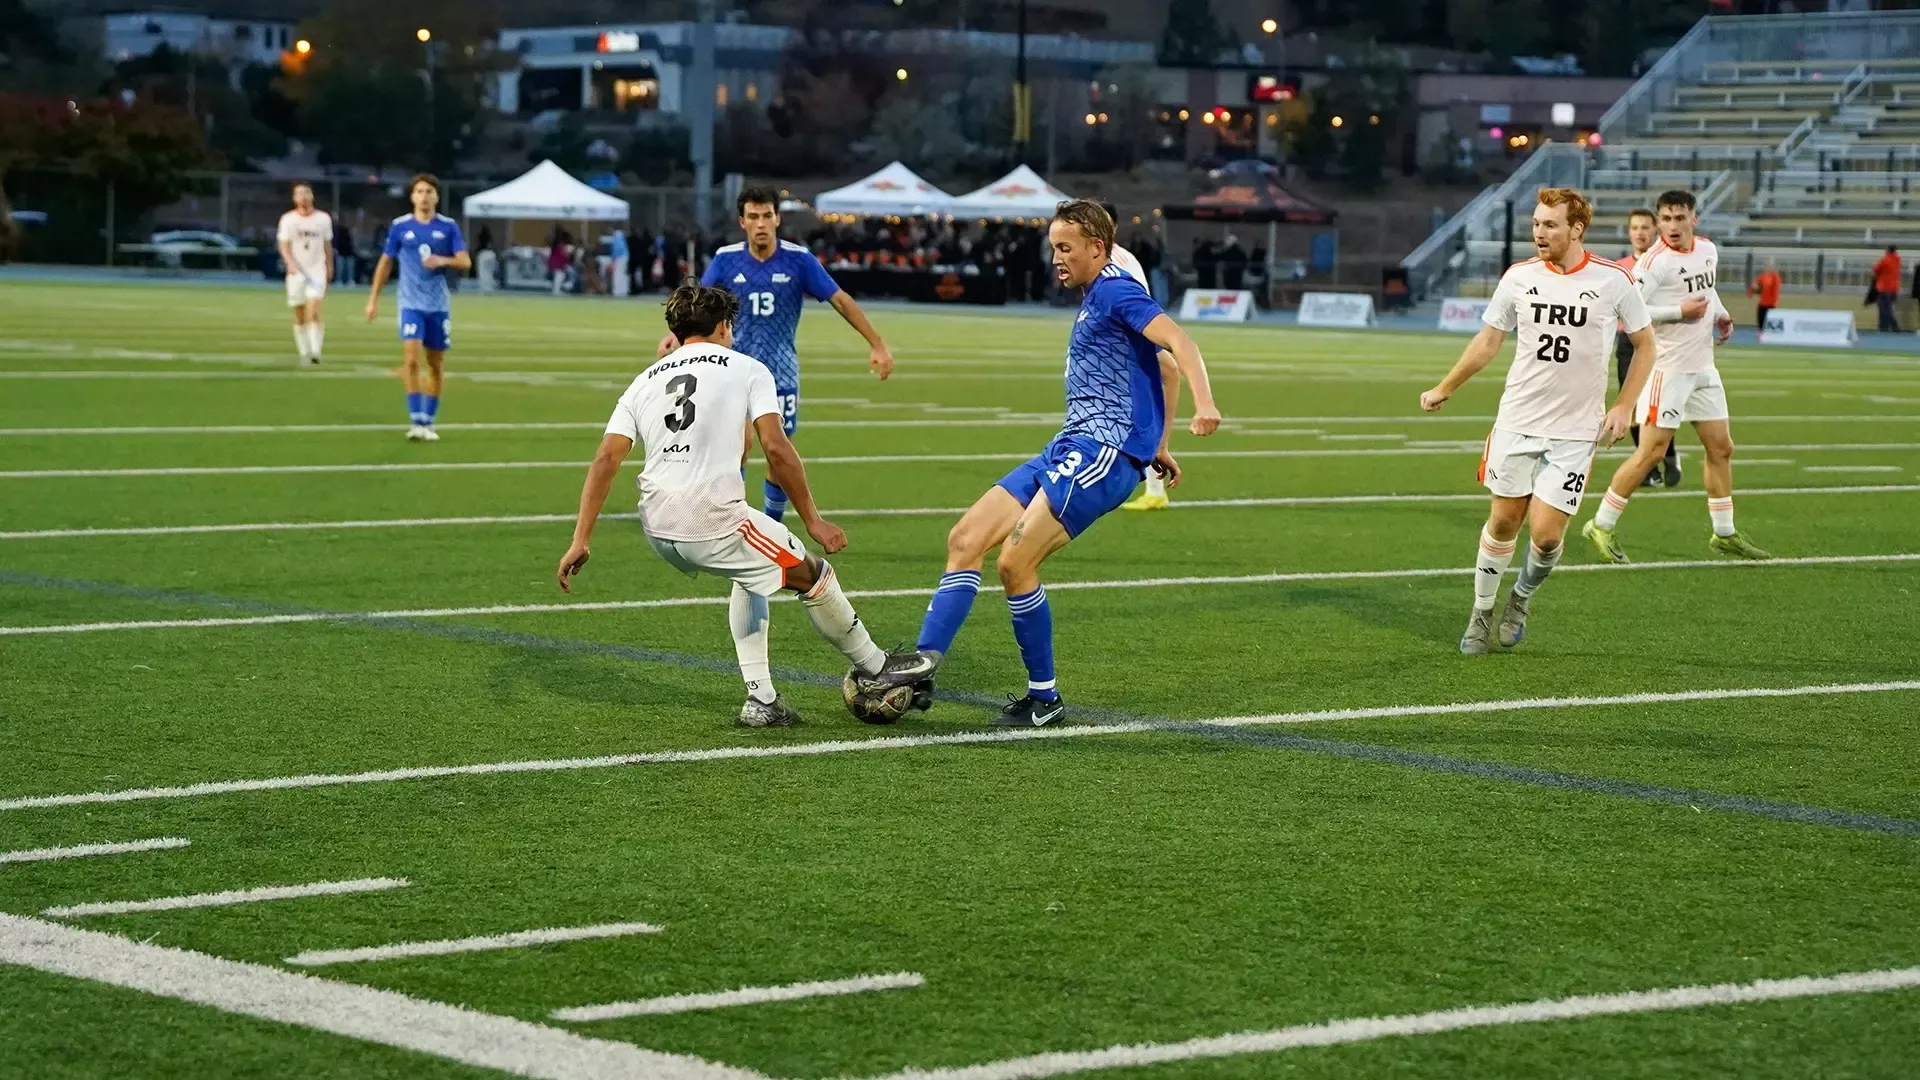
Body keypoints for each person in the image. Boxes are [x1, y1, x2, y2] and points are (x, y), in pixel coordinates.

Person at [869, 200, 1221, 728]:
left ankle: (1044, 699)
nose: (1056, 258)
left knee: (1015, 563)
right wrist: (1157, 442)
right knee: (965, 538)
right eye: (1053, 247)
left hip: (1102, 455)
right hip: (1069, 446)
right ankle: (922, 667)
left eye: (1065, 248)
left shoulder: (1116, 290)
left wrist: (1205, 404)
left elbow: (1178, 345)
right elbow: (1157, 373)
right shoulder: (1092, 297)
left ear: (1097, 249)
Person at [554, 284, 931, 727]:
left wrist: (581, 539)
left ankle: (763, 701)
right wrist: (813, 518)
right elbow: (777, 447)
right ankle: (875, 665)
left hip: (657, 526)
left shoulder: (645, 379)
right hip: (710, 519)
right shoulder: (748, 368)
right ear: (723, 327)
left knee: (751, 574)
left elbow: (605, 458)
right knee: (814, 574)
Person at [1421, 187, 1655, 655]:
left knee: (1546, 538)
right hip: (1517, 421)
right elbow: (1488, 341)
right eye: (1536, 224)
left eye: (1550, 225)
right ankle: (1481, 614)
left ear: (1576, 229)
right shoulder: (1518, 277)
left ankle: (1520, 599)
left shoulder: (1613, 281)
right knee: (1504, 521)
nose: (1539, 233)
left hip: (1574, 432)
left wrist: (1624, 406)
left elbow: (1647, 346)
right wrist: (1446, 386)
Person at [658, 185, 896, 524]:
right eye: (753, 217)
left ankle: (771, 524)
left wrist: (877, 343)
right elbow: (699, 301)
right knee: (737, 447)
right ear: (742, 222)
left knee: (776, 455)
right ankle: (735, 524)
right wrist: (673, 332)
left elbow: (840, 299)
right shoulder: (727, 259)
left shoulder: (799, 260)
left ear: (777, 218)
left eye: (767, 216)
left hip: (779, 373)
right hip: (732, 371)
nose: (761, 224)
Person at [1584, 189, 1770, 563]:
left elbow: (1707, 289)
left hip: (1703, 368)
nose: (1671, 226)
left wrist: (1721, 314)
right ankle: (1601, 524)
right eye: (1665, 219)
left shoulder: (1707, 250)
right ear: (1658, 222)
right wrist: (1678, 311)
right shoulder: (1653, 263)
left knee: (1721, 448)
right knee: (1651, 453)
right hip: (1665, 371)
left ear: (1693, 219)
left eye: (1679, 218)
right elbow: (1630, 311)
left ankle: (1724, 533)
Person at [365, 174, 469, 442]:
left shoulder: (448, 227)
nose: (424, 196)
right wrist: (373, 299)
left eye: (429, 191)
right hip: (410, 303)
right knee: (411, 359)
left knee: (435, 362)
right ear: (412, 196)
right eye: (420, 191)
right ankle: (416, 420)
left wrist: (442, 260)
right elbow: (385, 263)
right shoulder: (400, 227)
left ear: (436, 197)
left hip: (438, 305)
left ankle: (428, 421)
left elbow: (465, 261)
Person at [1110, 242, 1182, 513]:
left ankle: (1153, 485)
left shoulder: (1116, 261)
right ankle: (1154, 486)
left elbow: (1138, 304)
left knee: (1154, 391)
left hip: (1130, 337)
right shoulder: (1120, 257)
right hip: (1128, 337)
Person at [1615, 208, 1677, 488]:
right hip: (1627, 341)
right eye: (1634, 227)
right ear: (1629, 232)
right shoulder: (1619, 267)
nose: (1639, 232)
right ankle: (1647, 467)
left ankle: (1669, 455)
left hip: (1657, 341)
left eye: (1644, 227)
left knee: (1657, 404)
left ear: (1655, 231)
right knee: (1630, 404)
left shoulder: (1663, 264)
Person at [277, 182, 333, 367]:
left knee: (314, 310)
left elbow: (327, 245)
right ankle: (304, 351)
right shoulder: (288, 220)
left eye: (306, 192)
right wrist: (290, 263)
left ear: (312, 196)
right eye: (299, 193)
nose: (303, 196)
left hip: (317, 271)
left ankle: (316, 351)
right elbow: (284, 244)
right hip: (296, 273)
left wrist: (329, 265)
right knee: (299, 314)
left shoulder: (323, 219)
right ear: (294, 198)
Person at [1873, 245, 1903, 332]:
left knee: (1884, 309)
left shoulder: (1885, 259)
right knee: (1888, 308)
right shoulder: (1897, 260)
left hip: (1884, 287)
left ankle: (1894, 326)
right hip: (1894, 288)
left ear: (1888, 250)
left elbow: (1876, 269)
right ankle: (1883, 327)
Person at [1748, 259, 1781, 333]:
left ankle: (1770, 334)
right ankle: (1761, 334)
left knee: (1770, 321)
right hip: (1763, 303)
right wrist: (1753, 290)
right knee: (1760, 319)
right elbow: (1754, 286)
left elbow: (1775, 289)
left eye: (1771, 267)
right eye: (1768, 266)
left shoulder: (1775, 277)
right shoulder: (1762, 277)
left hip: (1771, 304)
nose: (1769, 268)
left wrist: (1775, 301)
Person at [332, 217, 356, 286]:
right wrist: (335, 248)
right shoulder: (339, 230)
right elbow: (336, 240)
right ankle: (339, 280)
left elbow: (353, 242)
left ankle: (350, 280)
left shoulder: (351, 231)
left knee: (349, 268)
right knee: (340, 268)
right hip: (341, 252)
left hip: (349, 252)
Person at [609, 227, 631, 297]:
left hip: (619, 258)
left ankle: (617, 291)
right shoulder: (621, 237)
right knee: (623, 274)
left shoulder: (616, 237)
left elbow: (616, 249)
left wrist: (613, 259)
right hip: (625, 257)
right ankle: (624, 290)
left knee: (617, 274)